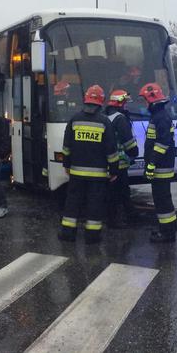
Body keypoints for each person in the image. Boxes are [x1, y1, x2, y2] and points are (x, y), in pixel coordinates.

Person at [59, 84, 119, 244]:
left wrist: (66, 164)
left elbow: (66, 146)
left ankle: (68, 234)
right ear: (100, 102)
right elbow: (111, 150)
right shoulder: (104, 122)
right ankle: (92, 237)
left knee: (72, 203)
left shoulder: (74, 119)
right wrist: (114, 170)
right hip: (98, 175)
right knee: (94, 205)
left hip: (76, 173)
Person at [139, 82, 177, 243]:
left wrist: (152, 163)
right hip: (161, 166)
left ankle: (167, 233)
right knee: (161, 199)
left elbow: (162, 144)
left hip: (161, 167)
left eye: (145, 100)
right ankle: (165, 229)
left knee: (162, 200)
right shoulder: (159, 116)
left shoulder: (161, 118)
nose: (144, 104)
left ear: (151, 100)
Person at [105, 89, 139, 228]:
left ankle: (128, 215)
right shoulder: (120, 119)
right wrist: (134, 153)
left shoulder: (105, 116)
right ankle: (117, 219)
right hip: (119, 162)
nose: (126, 106)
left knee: (113, 191)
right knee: (121, 191)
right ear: (120, 103)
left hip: (107, 161)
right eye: (125, 103)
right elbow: (128, 141)